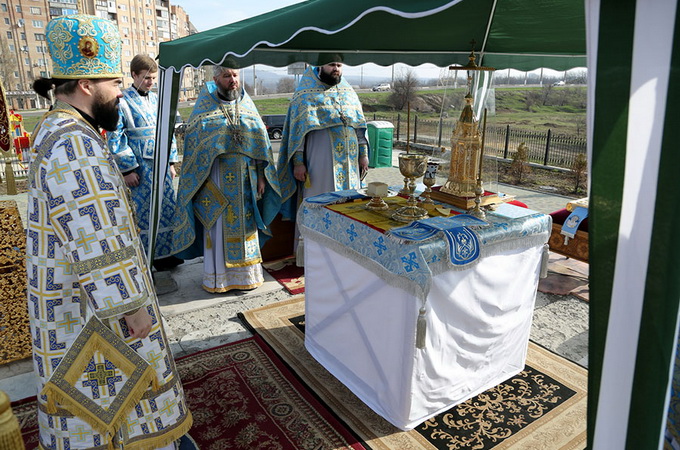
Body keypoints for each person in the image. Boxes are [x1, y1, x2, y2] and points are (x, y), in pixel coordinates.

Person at [27, 15, 192, 449]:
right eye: (114, 82)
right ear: (85, 84)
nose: (121, 91)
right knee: (122, 410)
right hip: (93, 308)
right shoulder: (73, 141)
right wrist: (132, 307)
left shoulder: (59, 128)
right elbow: (93, 235)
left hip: (81, 295)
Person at [172, 66, 281, 293]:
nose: (232, 80)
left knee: (246, 228)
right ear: (216, 80)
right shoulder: (203, 112)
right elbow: (194, 151)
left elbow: (261, 145)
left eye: (235, 76)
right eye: (227, 76)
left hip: (246, 181)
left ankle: (246, 276)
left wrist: (261, 175)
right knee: (219, 228)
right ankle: (219, 279)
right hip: (216, 181)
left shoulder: (248, 107)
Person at [277, 60, 369, 264]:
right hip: (320, 165)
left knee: (349, 206)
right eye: (331, 65)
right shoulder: (305, 94)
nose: (336, 69)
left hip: (350, 165)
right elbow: (298, 134)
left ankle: (348, 254)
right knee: (320, 204)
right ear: (319, 66)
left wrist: (363, 154)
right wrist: (298, 162)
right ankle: (316, 257)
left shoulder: (348, 92)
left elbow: (360, 127)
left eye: (339, 65)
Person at [107, 54, 183, 272]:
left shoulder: (158, 99)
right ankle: (147, 257)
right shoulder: (121, 100)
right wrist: (127, 168)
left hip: (161, 164)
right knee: (144, 212)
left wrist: (170, 162)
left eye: (153, 78)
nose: (151, 82)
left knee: (166, 207)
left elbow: (167, 131)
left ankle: (168, 255)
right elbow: (116, 136)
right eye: (147, 78)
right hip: (140, 168)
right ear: (134, 75)